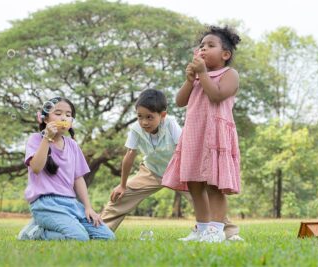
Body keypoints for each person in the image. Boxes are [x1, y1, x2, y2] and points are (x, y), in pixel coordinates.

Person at [101, 89, 241, 242]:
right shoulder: (135, 129)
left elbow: (185, 148)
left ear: (162, 115)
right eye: (140, 117)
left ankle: (229, 232)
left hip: (178, 170)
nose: (144, 122)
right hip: (152, 171)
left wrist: (193, 173)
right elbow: (129, 156)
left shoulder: (170, 124)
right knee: (123, 195)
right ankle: (101, 230)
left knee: (203, 199)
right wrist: (122, 185)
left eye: (149, 117)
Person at [162, 25, 243, 243]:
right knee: (195, 184)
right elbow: (180, 102)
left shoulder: (229, 74)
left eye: (210, 45)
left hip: (216, 135)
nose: (203, 49)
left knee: (215, 185)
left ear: (225, 54)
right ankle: (202, 228)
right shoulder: (198, 77)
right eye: (201, 46)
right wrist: (190, 79)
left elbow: (216, 96)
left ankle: (217, 230)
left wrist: (202, 74)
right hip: (194, 135)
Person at [17, 97, 115, 241]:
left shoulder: (73, 145)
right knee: (80, 238)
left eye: (68, 115)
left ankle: (49, 225)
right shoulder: (36, 139)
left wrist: (88, 207)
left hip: (71, 204)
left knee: (107, 237)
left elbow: (78, 178)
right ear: (45, 118)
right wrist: (47, 138)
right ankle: (34, 233)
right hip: (45, 204)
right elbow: (36, 168)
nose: (63, 117)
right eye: (58, 113)